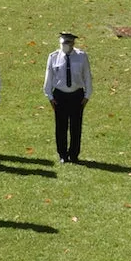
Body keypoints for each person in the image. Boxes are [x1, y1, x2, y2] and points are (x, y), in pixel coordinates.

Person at [44, 32, 92, 163]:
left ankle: (74, 154)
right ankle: (62, 154)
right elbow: (49, 76)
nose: (65, 45)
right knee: (61, 126)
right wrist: (50, 96)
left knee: (76, 126)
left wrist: (87, 96)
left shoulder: (81, 57)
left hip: (77, 95)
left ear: (73, 43)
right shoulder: (54, 57)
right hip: (60, 95)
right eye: (63, 43)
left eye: (67, 43)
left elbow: (87, 76)